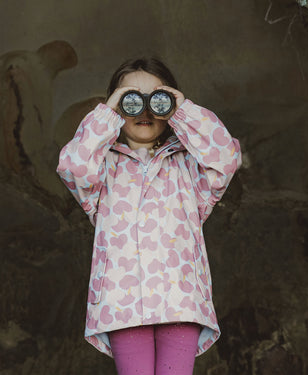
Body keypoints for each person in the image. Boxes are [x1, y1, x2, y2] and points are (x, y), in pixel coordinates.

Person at [56, 57, 242, 375]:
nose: (143, 109)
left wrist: (185, 112)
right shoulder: (102, 170)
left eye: (156, 98)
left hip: (181, 299)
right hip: (122, 305)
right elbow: (73, 166)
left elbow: (226, 157)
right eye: (130, 98)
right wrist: (107, 114)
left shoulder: (188, 167)